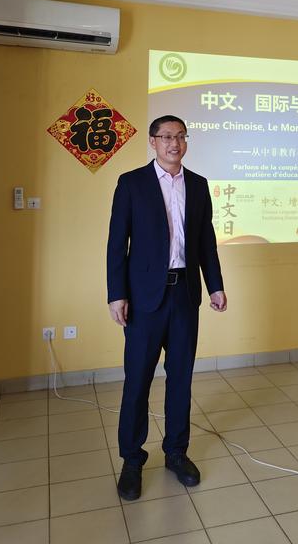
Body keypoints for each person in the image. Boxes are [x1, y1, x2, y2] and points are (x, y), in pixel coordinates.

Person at [107, 114, 227, 501]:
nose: (174, 143)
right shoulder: (132, 183)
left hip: (184, 295)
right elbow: (117, 243)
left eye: (180, 136)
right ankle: (132, 459)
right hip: (144, 300)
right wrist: (116, 294)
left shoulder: (198, 185)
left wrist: (215, 286)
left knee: (180, 379)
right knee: (137, 381)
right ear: (153, 141)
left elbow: (206, 241)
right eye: (166, 136)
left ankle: (176, 453)